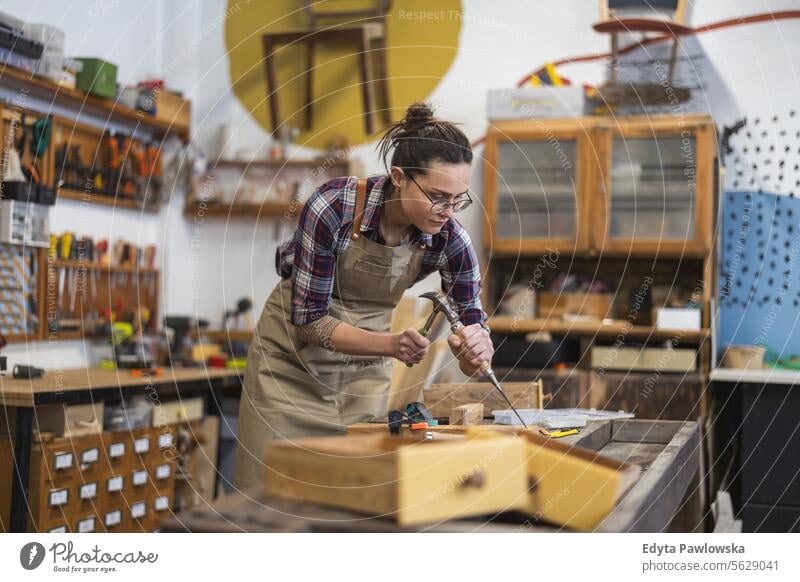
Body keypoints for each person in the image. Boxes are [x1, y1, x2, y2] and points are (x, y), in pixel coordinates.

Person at [234, 102, 494, 489]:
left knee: (350, 495)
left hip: (361, 374)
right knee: (271, 493)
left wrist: (477, 348)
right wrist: (390, 344)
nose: (449, 212)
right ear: (399, 177)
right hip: (289, 367)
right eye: (439, 197)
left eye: (459, 199)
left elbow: (474, 335)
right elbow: (309, 321)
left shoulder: (450, 239)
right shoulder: (333, 207)